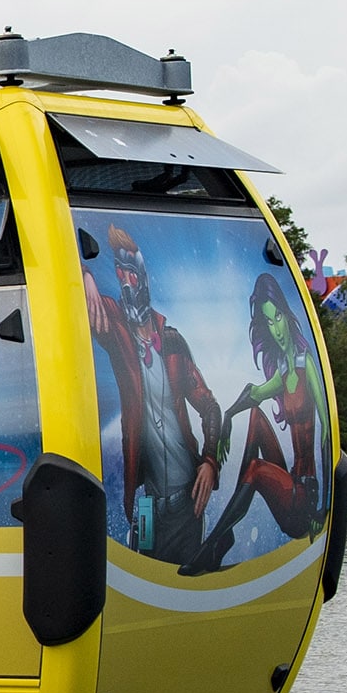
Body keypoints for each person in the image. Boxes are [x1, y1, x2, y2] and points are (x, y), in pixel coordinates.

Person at [84, 224, 223, 567]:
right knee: (147, 577)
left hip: (187, 502)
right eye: (120, 274)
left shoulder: (172, 340)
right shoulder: (117, 331)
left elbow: (210, 408)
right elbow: (70, 290)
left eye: (132, 273)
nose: (126, 283)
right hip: (146, 502)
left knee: (183, 586)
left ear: (144, 277)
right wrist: (85, 276)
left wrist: (210, 461)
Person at [187, 271, 326, 574]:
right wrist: (227, 416)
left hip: (304, 502)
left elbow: (326, 435)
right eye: (269, 321)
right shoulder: (282, 371)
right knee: (255, 416)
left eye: (279, 318)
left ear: (287, 316)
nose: (276, 328)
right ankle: (223, 538)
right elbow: (254, 395)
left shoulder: (306, 364)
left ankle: (213, 544)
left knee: (256, 469)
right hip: (291, 486)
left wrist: (323, 508)